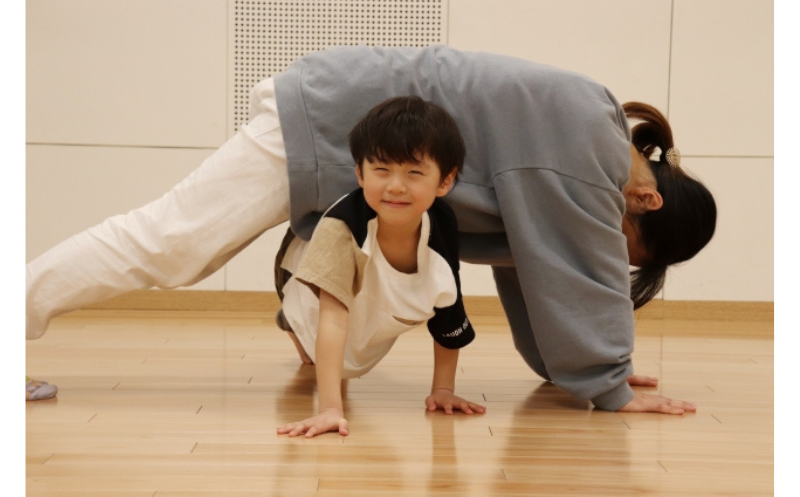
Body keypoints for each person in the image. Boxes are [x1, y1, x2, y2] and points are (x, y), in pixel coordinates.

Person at [26, 44, 717, 415]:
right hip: (330, 119)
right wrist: (609, 384)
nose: (607, 246)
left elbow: (535, 269)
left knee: (176, 247)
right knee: (170, 246)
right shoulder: (587, 152)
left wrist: (592, 377)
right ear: (646, 203)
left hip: (347, 124)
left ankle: (302, 305)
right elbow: (577, 272)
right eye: (625, 247)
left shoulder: (583, 138)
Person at [273, 95, 485, 437]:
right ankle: (291, 320)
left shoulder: (442, 223)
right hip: (301, 267)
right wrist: (330, 409)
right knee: (313, 322)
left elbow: (449, 309)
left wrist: (443, 389)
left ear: (445, 181)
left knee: (354, 351)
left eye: (414, 173)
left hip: (371, 299)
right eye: (381, 170)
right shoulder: (343, 228)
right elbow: (333, 316)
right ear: (360, 172)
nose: (396, 186)